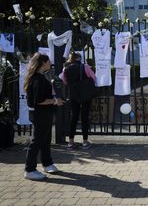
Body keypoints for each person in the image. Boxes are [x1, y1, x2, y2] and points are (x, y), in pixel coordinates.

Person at [23, 52, 65, 180]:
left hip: (44, 113)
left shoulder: (38, 77)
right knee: (37, 141)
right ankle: (29, 169)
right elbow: (38, 100)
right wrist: (55, 101)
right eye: (49, 61)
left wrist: (53, 100)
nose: (51, 63)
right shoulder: (38, 79)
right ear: (43, 63)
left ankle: (47, 163)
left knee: (45, 140)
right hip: (41, 113)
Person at [61, 52, 96, 149]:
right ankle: (85, 141)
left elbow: (65, 81)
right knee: (85, 117)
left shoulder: (66, 68)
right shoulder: (84, 66)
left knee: (74, 118)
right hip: (85, 94)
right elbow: (93, 77)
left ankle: (71, 142)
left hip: (73, 95)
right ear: (79, 58)